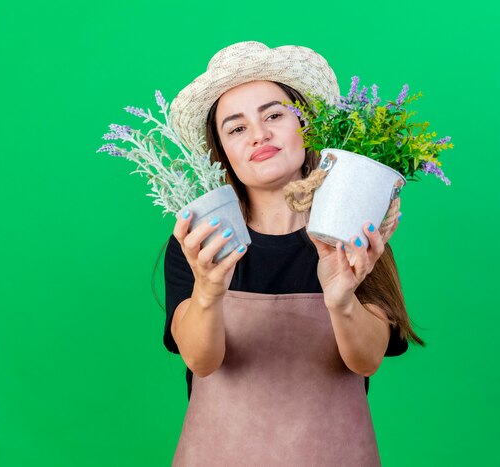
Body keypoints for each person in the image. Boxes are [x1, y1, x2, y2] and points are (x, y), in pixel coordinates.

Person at [162, 41, 425, 466]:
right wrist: (208, 293)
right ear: (222, 152)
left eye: (274, 115)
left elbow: (367, 358)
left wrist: (340, 300)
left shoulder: (356, 231)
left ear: (307, 126)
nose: (259, 135)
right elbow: (200, 360)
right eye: (236, 128)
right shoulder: (199, 242)